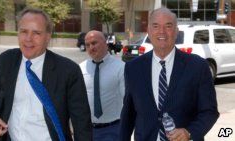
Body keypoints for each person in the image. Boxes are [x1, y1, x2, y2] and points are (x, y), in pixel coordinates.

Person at [0, 8, 92, 141]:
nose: (28, 39)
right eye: (24, 31)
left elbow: (82, 123)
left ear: (48, 36)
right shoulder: (6, 61)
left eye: (36, 33)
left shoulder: (68, 70)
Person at [119, 7, 219, 141]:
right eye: (155, 26)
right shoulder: (133, 68)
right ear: (148, 31)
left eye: (168, 26)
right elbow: (128, 115)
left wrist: (189, 132)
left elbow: (209, 111)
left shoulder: (197, 66)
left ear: (176, 31)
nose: (162, 32)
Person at [79, 30, 125, 141]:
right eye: (87, 45)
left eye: (94, 43)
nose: (91, 47)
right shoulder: (81, 68)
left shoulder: (121, 68)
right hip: (86, 130)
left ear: (105, 43)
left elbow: (128, 100)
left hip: (113, 130)